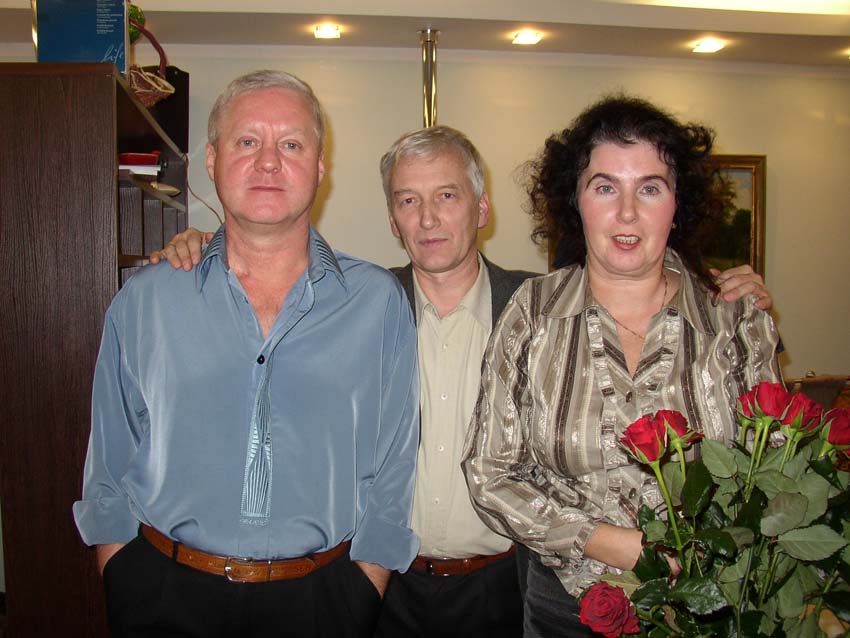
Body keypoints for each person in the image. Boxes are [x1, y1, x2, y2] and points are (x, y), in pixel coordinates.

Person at [153, 124, 775, 637]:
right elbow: (268, 293)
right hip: (380, 581)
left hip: (506, 582)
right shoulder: (351, 307)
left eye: (447, 195)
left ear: (481, 208)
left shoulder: (535, 309)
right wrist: (206, 248)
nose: (428, 218)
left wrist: (724, 287)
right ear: (392, 219)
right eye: (407, 200)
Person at [73, 70, 420, 638]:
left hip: (326, 600)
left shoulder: (377, 302)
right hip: (161, 594)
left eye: (291, 144)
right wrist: (122, 573)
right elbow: (109, 457)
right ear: (212, 160)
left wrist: (365, 586)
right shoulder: (147, 299)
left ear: (319, 167)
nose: (268, 162)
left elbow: (395, 461)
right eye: (247, 141)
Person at [460, 95, 783, 638]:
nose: (627, 212)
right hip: (566, 611)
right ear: (576, 200)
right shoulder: (532, 313)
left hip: (711, 605)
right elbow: (489, 472)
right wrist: (603, 541)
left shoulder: (734, 318)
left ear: (677, 204)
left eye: (650, 188)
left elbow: (775, 470)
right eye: (605, 187)